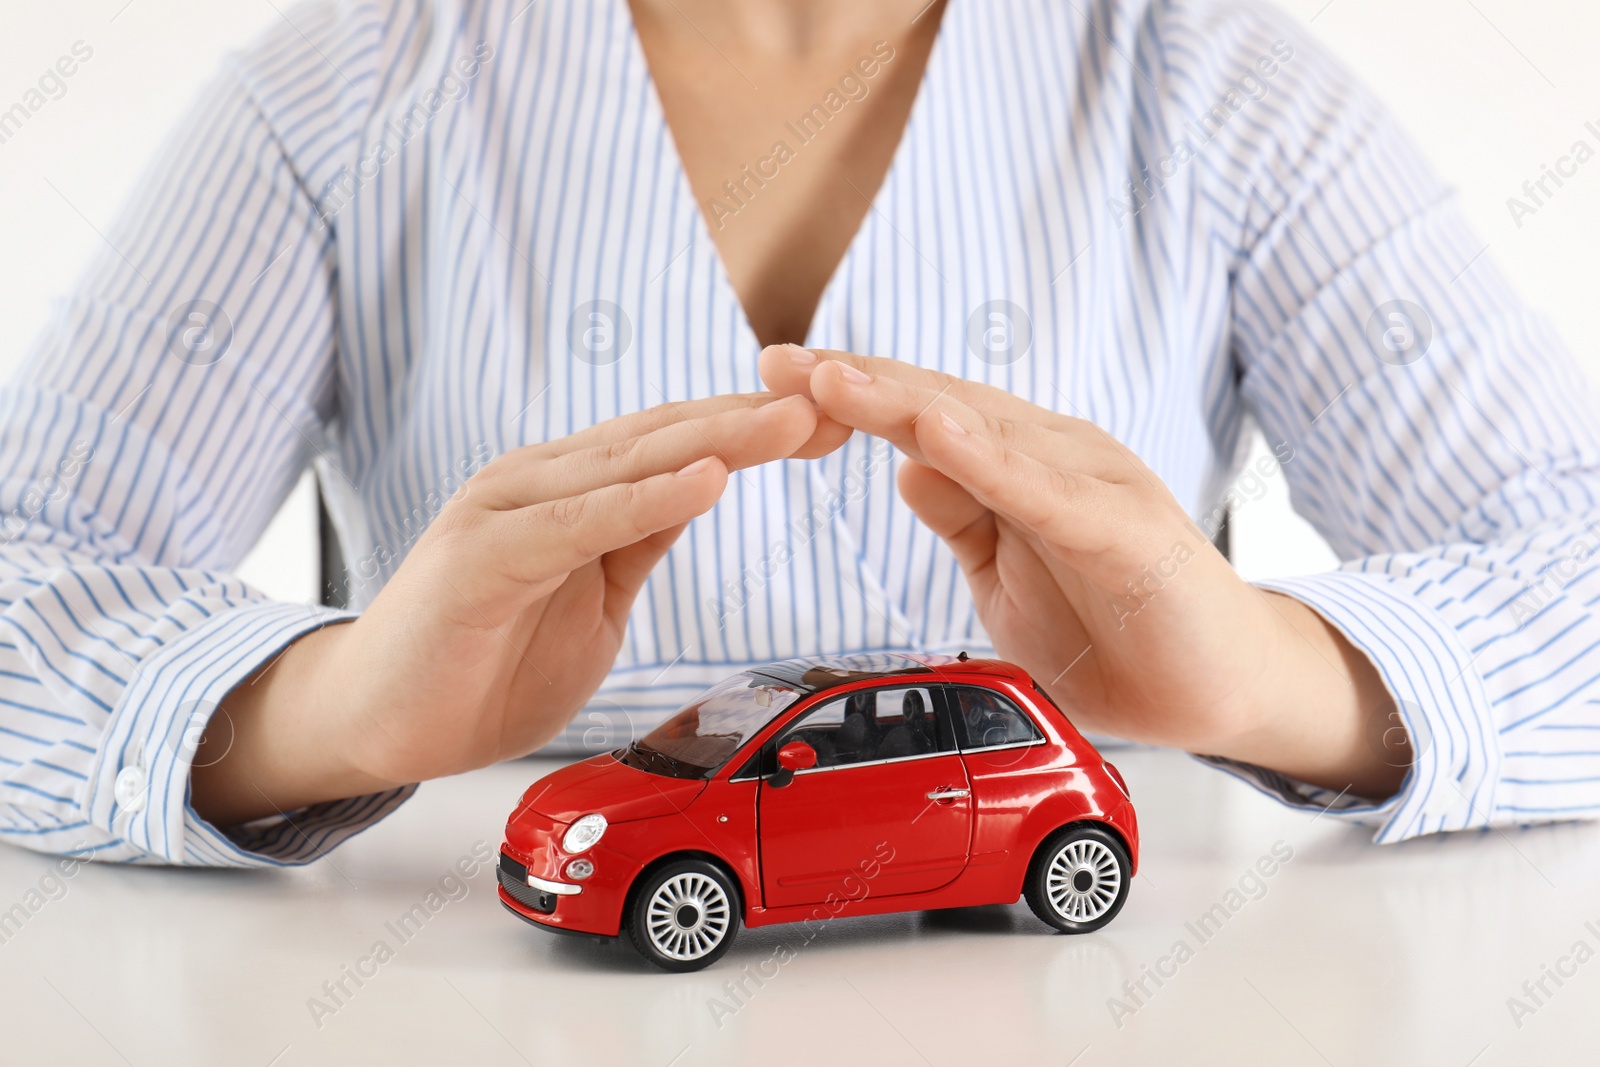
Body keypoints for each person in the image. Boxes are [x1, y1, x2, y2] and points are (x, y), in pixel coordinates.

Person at [1, 0, 1595, 867]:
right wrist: (325, 715)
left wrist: (1266, 677)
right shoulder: (338, 97)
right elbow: (27, 563)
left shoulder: (1220, 87)